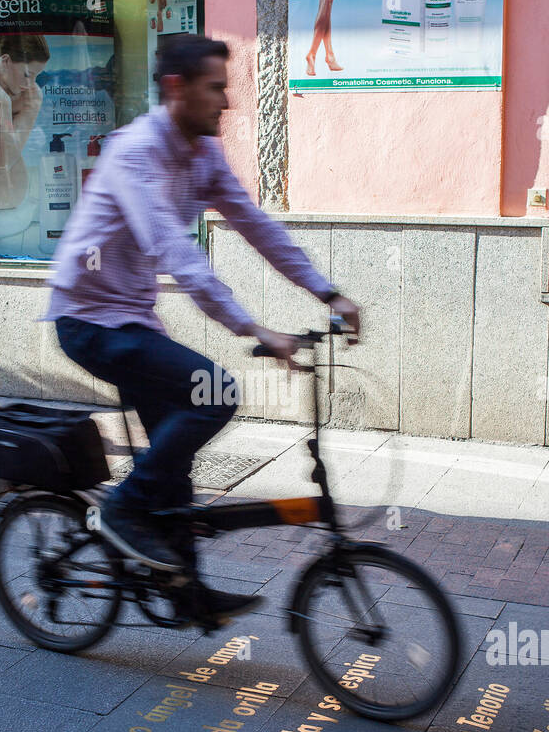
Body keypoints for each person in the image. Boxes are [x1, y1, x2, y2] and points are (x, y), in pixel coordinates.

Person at [43, 33, 361, 625]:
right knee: (215, 391)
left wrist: (327, 290)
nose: (228, 102)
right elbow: (176, 254)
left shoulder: (202, 155)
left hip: (133, 319)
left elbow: (257, 225)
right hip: (86, 320)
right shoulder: (134, 154)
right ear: (176, 88)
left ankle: (185, 592)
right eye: (216, 88)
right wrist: (253, 329)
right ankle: (122, 512)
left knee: (175, 458)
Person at [0, 33, 49, 219]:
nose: (30, 84)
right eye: (27, 75)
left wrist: (4, 104)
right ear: (5, 60)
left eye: (36, 76)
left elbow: (9, 157)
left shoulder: (32, 95)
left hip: (9, 184)